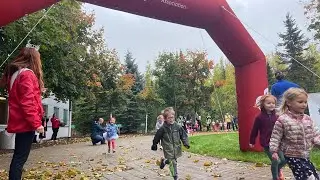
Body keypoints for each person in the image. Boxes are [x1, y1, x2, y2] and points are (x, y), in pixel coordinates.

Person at [0, 47, 45, 180]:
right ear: (34, 59)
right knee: (19, 159)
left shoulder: (16, 74)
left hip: (19, 121)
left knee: (18, 158)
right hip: (26, 123)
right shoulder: (27, 74)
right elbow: (27, 102)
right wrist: (37, 124)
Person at [270, 88, 320, 180]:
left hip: (305, 154)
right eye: (300, 102)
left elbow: (315, 134)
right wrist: (274, 151)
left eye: (305, 102)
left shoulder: (307, 119)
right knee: (307, 177)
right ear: (289, 103)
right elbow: (275, 137)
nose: (304, 105)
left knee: (314, 175)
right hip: (292, 155)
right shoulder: (283, 120)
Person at [249, 94, 286, 180]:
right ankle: (275, 177)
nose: (271, 105)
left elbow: (282, 127)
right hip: (267, 143)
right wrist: (252, 141)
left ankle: (277, 170)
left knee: (284, 160)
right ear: (263, 105)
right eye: (268, 103)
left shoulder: (277, 116)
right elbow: (254, 130)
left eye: (273, 103)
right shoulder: (259, 117)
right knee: (275, 160)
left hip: (277, 142)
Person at [151, 107, 190, 180]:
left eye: (172, 117)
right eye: (169, 118)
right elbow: (157, 137)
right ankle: (175, 177)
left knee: (173, 160)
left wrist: (186, 143)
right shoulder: (163, 129)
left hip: (176, 147)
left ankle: (164, 161)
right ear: (165, 119)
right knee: (173, 163)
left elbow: (183, 135)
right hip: (167, 148)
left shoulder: (177, 126)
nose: (171, 119)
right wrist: (154, 144)